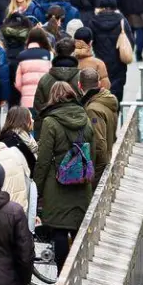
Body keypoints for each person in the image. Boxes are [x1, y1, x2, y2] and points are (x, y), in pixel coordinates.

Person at [33, 82, 93, 267]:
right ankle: (80, 269)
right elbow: (94, 151)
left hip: (57, 185)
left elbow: (43, 160)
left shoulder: (50, 122)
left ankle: (62, 274)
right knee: (78, 230)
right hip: (82, 184)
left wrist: (37, 189)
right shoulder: (86, 118)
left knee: (59, 231)